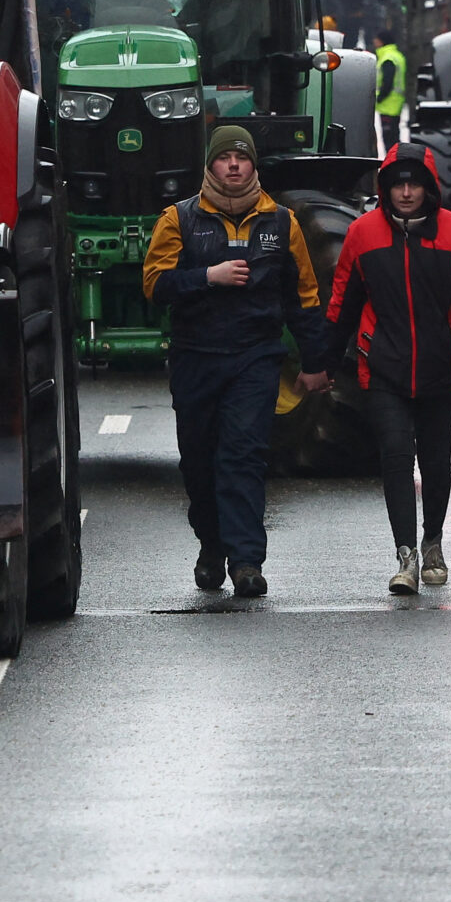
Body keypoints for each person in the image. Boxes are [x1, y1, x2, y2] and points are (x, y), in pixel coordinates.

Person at [141, 123, 331, 597]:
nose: (233, 166)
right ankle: (212, 547)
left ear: (253, 166)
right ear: (210, 166)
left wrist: (314, 362)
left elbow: (304, 298)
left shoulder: (281, 222)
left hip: (255, 358)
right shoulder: (178, 219)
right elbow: (154, 285)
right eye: (224, 159)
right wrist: (208, 275)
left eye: (241, 158)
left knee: (243, 456)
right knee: (199, 461)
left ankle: (247, 561)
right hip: (196, 358)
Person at [321, 142, 451, 594]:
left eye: (413, 183)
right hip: (384, 368)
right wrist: (321, 363)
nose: (405, 192)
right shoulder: (363, 234)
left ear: (428, 188)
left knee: (436, 463)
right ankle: (406, 555)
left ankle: (433, 541)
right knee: (396, 459)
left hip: (441, 370)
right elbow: (342, 303)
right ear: (385, 187)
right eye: (397, 183)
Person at [372, 32, 406, 154]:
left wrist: (380, 97)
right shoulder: (397, 56)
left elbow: (387, 81)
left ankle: (393, 163)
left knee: (389, 140)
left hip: (389, 103)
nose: (374, 42)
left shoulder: (388, 58)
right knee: (394, 137)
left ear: (381, 41)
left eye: (376, 39)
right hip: (396, 102)